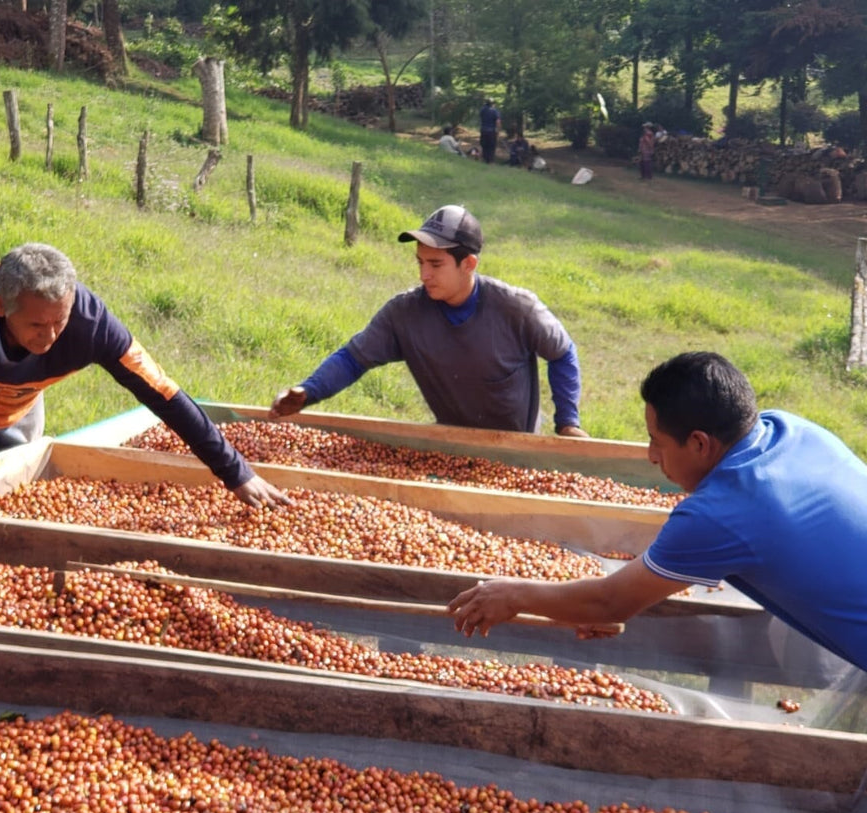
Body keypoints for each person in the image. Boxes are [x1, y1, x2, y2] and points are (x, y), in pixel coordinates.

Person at [448, 351, 867, 671]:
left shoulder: (720, 512)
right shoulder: (790, 429)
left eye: (657, 441)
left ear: (700, 444)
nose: (650, 455)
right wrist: (589, 603)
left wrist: (514, 594)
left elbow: (610, 602)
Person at [0, 242, 289, 508]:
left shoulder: (90, 323)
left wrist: (235, 471)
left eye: (59, 321)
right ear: (2, 307)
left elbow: (161, 393)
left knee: (19, 481)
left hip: (23, 400)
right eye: (37, 326)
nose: (52, 336)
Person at [270, 205, 588, 438]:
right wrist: (308, 392)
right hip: (448, 444)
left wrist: (567, 422)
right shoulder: (405, 313)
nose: (424, 275)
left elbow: (562, 352)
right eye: (420, 262)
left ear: (469, 263)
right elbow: (353, 359)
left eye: (435, 264)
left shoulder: (516, 308)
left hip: (517, 448)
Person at [479, 98, 501, 164]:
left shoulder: (482, 110)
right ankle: (490, 161)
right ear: (493, 104)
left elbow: (481, 117)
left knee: (484, 145)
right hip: (492, 131)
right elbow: (498, 121)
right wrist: (498, 130)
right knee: (491, 146)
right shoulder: (495, 111)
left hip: (483, 130)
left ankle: (484, 159)